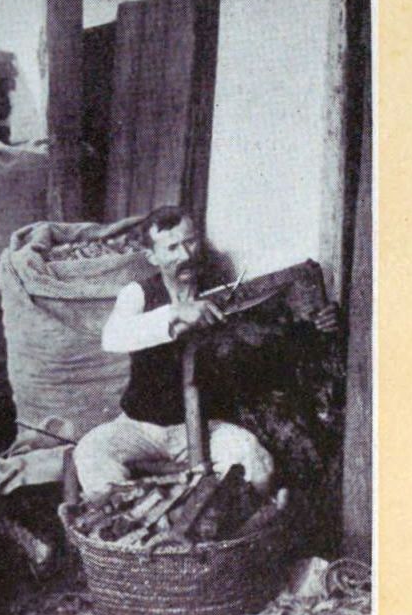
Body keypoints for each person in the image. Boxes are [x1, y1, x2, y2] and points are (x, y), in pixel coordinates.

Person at [73, 205, 340, 501]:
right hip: (141, 427)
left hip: (206, 425)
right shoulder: (138, 293)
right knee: (90, 451)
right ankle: (132, 517)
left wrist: (318, 325)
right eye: (172, 248)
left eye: (190, 242)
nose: (185, 255)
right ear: (152, 256)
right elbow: (112, 337)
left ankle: (236, 525)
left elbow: (269, 340)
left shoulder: (224, 290)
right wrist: (176, 313)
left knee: (255, 463)